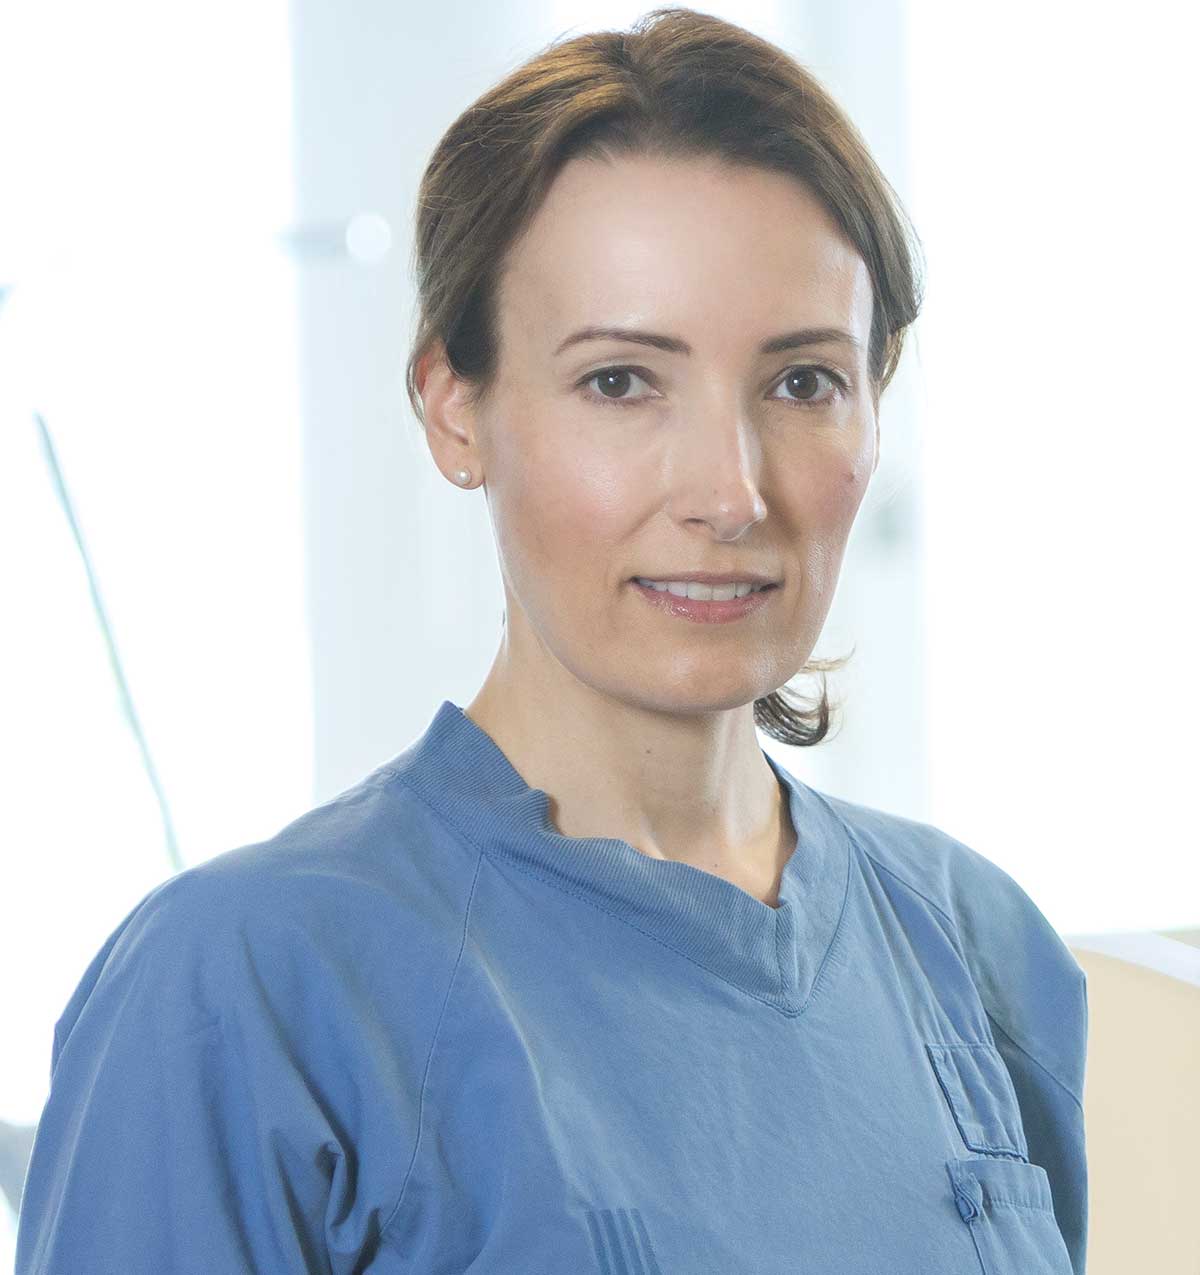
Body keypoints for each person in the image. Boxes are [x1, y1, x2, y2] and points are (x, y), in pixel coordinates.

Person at [15, 7, 1088, 1272]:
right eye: (620, 382)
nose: (731, 492)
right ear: (455, 409)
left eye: (802, 381)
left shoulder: (979, 946)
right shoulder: (247, 987)